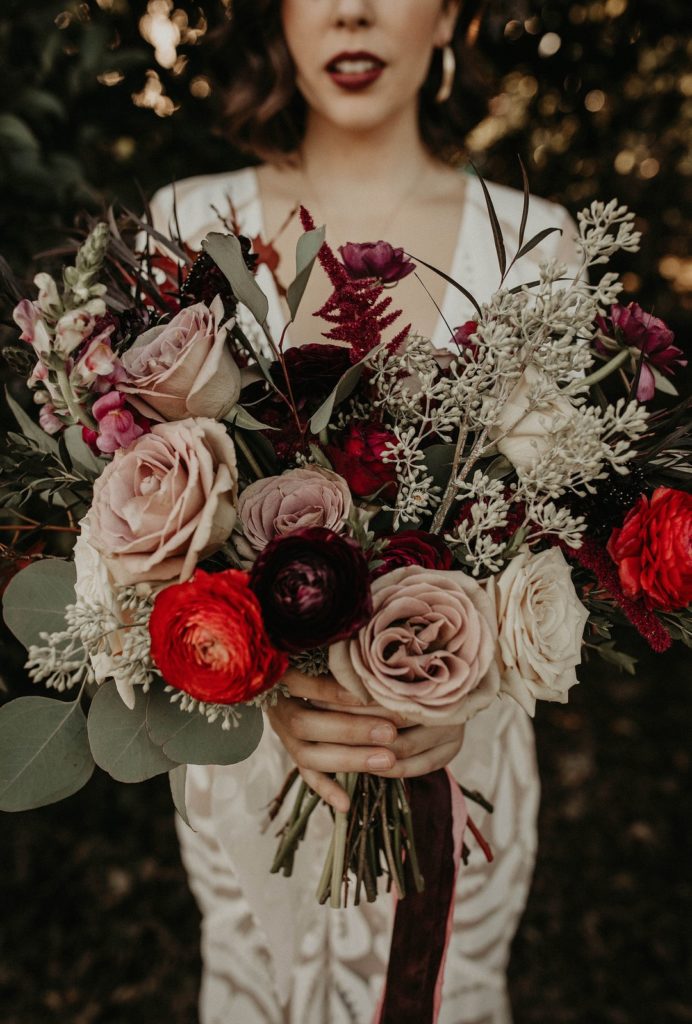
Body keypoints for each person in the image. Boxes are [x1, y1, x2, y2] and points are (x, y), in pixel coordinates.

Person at [147, 2, 582, 1021]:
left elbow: (569, 549)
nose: (351, 9)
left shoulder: (535, 245)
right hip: (245, 777)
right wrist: (260, 685)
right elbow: (129, 555)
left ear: (447, 16)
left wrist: (455, 697)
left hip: (457, 777)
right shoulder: (183, 224)